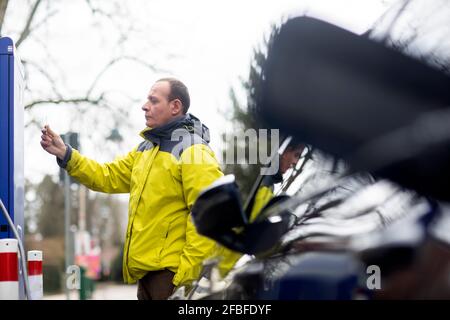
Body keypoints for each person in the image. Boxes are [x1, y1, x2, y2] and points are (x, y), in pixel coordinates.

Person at [40, 78, 223, 300]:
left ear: (175, 106)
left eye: (153, 100)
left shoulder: (194, 151)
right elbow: (106, 176)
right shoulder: (145, 150)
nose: (144, 106)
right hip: (147, 277)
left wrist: (184, 280)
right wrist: (66, 154)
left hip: (172, 278)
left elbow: (209, 217)